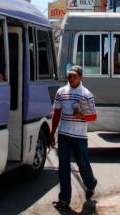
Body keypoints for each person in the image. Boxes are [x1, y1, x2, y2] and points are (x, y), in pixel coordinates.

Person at [51, 65, 98, 210]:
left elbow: (93, 116)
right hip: (64, 135)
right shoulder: (61, 92)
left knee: (83, 164)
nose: (71, 78)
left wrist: (83, 116)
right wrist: (52, 133)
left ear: (81, 77)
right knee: (63, 166)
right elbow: (56, 114)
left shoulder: (86, 94)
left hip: (80, 136)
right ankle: (64, 199)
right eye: (70, 76)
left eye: (74, 76)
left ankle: (91, 184)